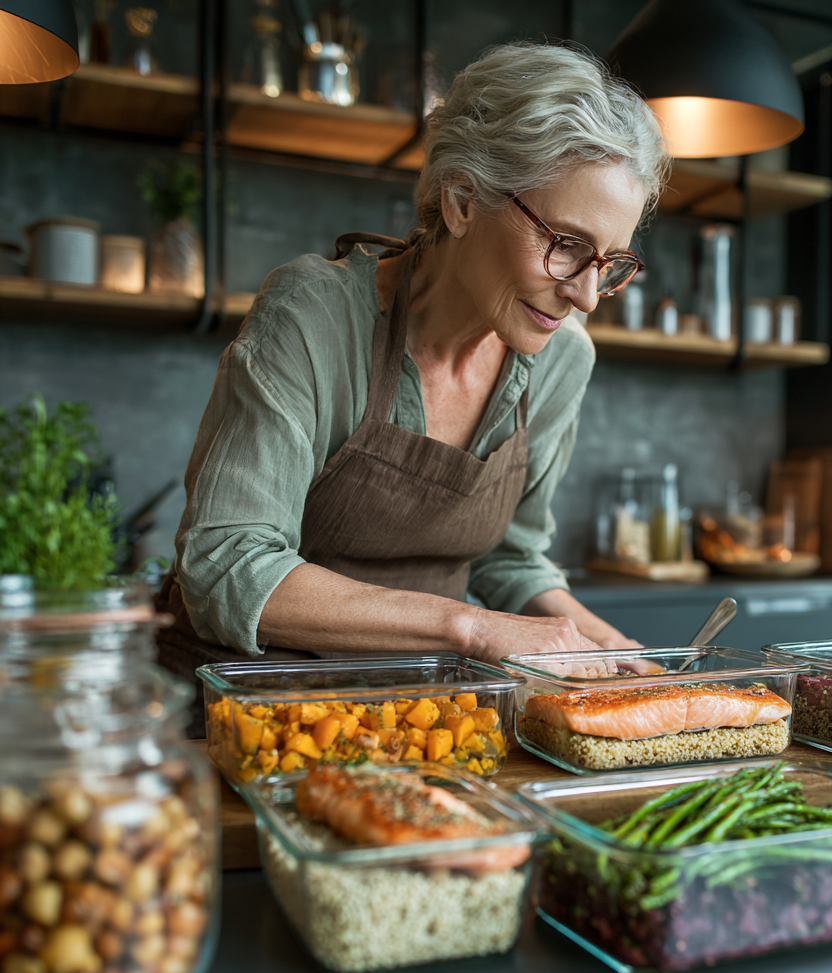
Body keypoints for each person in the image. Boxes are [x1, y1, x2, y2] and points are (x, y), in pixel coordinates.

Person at [156, 41, 670, 703]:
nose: (585, 295)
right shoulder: (313, 317)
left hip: (420, 719)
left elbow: (510, 559)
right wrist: (469, 628)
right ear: (460, 201)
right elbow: (225, 566)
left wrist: (613, 649)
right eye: (567, 246)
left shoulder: (562, 358)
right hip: (243, 718)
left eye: (611, 263)